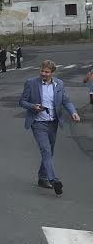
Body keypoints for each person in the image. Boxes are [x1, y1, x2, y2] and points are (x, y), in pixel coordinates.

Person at [19, 59, 80, 195]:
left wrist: (73, 112)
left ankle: (42, 178)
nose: (43, 74)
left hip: (53, 123)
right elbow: (22, 101)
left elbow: (66, 101)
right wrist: (33, 106)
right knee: (46, 151)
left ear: (52, 72)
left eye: (47, 72)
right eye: (42, 71)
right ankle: (53, 180)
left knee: (50, 152)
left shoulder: (59, 84)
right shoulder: (31, 83)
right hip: (38, 123)